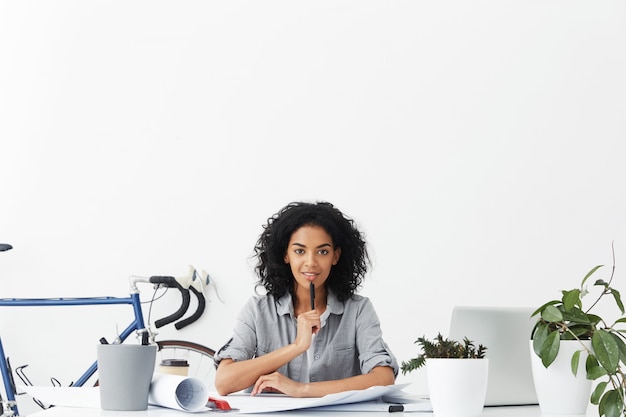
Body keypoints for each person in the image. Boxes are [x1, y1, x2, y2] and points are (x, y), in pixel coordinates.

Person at [214, 201, 398, 397]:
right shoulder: (257, 310)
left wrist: (302, 390)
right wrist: (296, 346)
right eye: (300, 251)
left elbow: (384, 378)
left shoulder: (358, 310)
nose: (311, 263)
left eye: (322, 252)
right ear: (286, 254)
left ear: (335, 256)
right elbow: (224, 382)